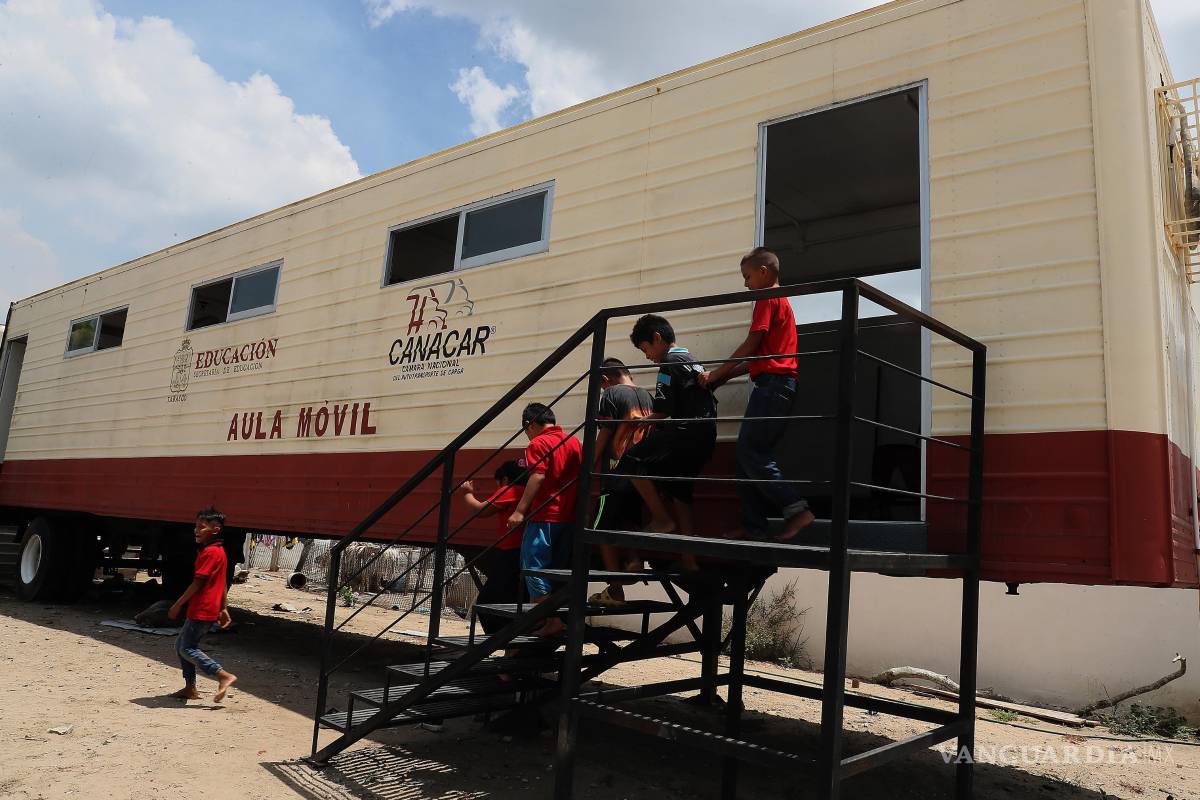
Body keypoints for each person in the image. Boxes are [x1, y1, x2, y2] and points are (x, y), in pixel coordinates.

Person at [700, 246, 815, 542]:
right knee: (745, 456)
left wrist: (715, 373)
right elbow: (759, 359)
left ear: (763, 273)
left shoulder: (767, 297)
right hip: (776, 384)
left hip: (774, 386)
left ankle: (796, 509)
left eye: (747, 276)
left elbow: (752, 343)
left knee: (752, 452)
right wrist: (722, 378)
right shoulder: (780, 301)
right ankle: (754, 526)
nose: (745, 284)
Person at [625, 314, 717, 570]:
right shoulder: (690, 359)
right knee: (680, 491)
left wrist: (642, 421)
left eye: (645, 349)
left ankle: (662, 519)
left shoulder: (668, 363)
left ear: (656, 338)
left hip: (686, 432)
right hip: (705, 435)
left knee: (632, 461)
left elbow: (663, 410)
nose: (647, 356)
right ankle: (689, 558)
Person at [507, 403, 582, 636]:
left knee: (534, 567)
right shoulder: (573, 442)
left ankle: (547, 619)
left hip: (544, 515)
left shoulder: (537, 443)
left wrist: (520, 511)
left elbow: (537, 476)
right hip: (569, 517)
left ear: (530, 425)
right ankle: (550, 618)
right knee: (557, 570)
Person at [589, 357, 655, 606]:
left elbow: (605, 434)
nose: (603, 389)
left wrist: (590, 464)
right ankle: (634, 558)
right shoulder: (647, 397)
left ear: (605, 379)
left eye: (602, 385)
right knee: (628, 521)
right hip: (640, 476)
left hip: (615, 473)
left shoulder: (611, 395)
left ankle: (615, 591)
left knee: (602, 529)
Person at [168, 506, 237, 702]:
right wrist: (223, 607)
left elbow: (197, 583)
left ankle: (222, 675)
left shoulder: (210, 553)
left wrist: (177, 604)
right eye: (196, 526)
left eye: (202, 527)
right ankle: (190, 687)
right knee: (180, 644)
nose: (196, 531)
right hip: (209, 607)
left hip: (202, 608)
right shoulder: (219, 551)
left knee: (187, 648)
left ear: (216, 529)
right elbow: (222, 582)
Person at [458, 460, 527, 634]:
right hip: (526, 553)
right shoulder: (529, 493)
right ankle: (515, 641)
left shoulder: (510, 490)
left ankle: (501, 640)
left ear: (504, 479)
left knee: (487, 601)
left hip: (510, 553)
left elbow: (480, 510)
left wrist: (467, 493)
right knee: (513, 599)